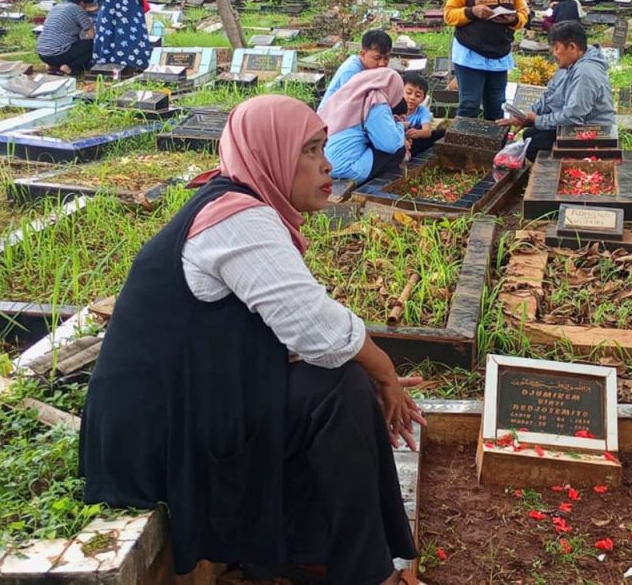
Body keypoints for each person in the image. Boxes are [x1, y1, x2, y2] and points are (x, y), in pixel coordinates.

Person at [80, 95, 422, 584]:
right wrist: (384, 372)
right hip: (156, 441)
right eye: (308, 150)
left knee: (339, 382)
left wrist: (367, 370)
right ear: (270, 153)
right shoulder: (238, 219)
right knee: (339, 387)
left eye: (323, 147)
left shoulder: (237, 204)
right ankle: (363, 572)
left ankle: (315, 553)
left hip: (181, 410)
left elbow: (299, 333)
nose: (326, 164)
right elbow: (319, 330)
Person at [498, 21, 615, 162]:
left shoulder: (585, 73)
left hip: (594, 131)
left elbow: (573, 117)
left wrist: (537, 120)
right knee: (530, 134)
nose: (553, 53)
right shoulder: (568, 64)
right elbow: (550, 95)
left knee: (534, 145)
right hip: (575, 126)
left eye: (556, 48)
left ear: (572, 47)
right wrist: (525, 116)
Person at [443, 0, 529, 121]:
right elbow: (449, 15)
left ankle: (492, 148)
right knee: (470, 104)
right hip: (470, 52)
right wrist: (473, 12)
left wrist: (512, 20)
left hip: (499, 53)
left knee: (497, 106)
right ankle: (462, 148)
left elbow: (523, 13)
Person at [322, 69, 409, 184]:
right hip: (345, 169)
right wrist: (400, 126)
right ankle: (378, 183)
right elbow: (390, 145)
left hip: (322, 165)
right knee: (398, 149)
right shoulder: (376, 101)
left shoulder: (349, 95)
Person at [319, 30, 393, 109]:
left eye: (386, 58)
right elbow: (350, 107)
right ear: (363, 54)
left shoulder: (372, 71)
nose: (382, 63)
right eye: (377, 58)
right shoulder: (352, 71)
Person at [36, 0, 96, 74]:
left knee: (71, 44)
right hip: (59, 53)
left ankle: (52, 66)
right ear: (82, 3)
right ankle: (69, 67)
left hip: (42, 53)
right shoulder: (78, 9)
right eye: (88, 4)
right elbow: (92, 35)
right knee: (92, 45)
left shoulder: (57, 7)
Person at [401, 73, 442, 156]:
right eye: (408, 93)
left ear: (423, 99)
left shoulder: (422, 111)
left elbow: (427, 132)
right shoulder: (393, 107)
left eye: (418, 95)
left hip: (413, 141)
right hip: (397, 139)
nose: (412, 97)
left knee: (441, 133)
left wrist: (418, 133)